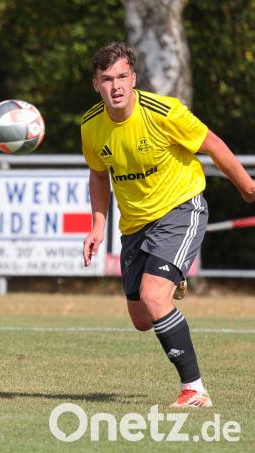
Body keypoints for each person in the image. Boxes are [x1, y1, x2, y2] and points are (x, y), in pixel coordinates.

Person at [80, 42, 255, 408]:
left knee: (154, 296)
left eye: (123, 77)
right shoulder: (92, 126)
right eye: (107, 79)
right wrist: (98, 225)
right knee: (142, 318)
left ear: (134, 78)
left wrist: (247, 185)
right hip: (135, 224)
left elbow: (213, 144)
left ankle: (195, 389)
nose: (116, 86)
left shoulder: (163, 112)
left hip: (180, 209)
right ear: (96, 84)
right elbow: (98, 176)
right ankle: (171, 275)